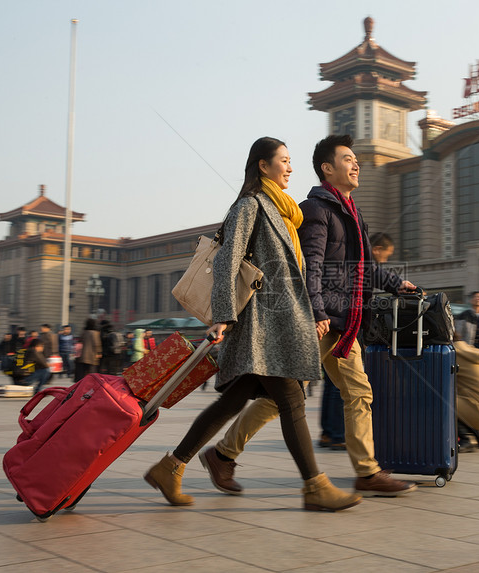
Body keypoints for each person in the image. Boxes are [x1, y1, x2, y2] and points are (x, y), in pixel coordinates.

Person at [144, 136, 361, 512]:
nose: (290, 168)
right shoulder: (250, 205)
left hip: (277, 324)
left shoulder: (284, 211)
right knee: (292, 401)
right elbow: (229, 261)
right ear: (263, 165)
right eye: (284, 161)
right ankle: (315, 486)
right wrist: (223, 316)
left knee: (231, 401)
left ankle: (170, 467)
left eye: (291, 161)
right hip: (260, 326)